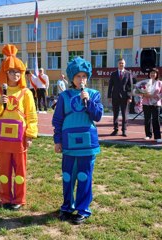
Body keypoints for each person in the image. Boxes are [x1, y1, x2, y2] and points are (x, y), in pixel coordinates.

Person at [52, 57, 103, 224]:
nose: (81, 79)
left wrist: (88, 102)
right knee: (68, 176)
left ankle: (82, 209)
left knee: (84, 176)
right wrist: (57, 140)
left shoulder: (94, 95)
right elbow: (58, 120)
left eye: (84, 76)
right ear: (72, 78)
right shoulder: (64, 96)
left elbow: (97, 116)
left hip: (88, 143)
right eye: (78, 76)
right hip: (68, 143)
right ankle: (67, 206)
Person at [0, 44, 38, 210]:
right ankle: (5, 198)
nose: (15, 75)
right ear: (5, 73)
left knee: (20, 171)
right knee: (4, 170)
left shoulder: (26, 93)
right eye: (11, 71)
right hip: (3, 138)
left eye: (18, 72)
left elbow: (32, 115)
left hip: (20, 137)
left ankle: (18, 199)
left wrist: (30, 135)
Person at [133, 68, 162, 143]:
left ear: (156, 74)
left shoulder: (159, 83)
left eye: (154, 73)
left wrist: (153, 96)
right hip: (146, 103)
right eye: (151, 73)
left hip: (156, 104)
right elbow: (138, 91)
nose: (152, 74)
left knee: (156, 120)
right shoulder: (144, 82)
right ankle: (148, 135)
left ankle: (157, 136)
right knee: (147, 119)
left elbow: (161, 93)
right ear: (149, 74)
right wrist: (144, 94)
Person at [107, 58, 133, 137]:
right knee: (115, 114)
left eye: (122, 63)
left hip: (125, 97)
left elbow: (130, 86)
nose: (121, 64)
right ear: (117, 64)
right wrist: (109, 96)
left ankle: (124, 130)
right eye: (120, 63)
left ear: (124, 64)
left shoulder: (128, 73)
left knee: (124, 114)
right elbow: (110, 86)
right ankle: (115, 130)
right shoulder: (113, 74)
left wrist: (130, 97)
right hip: (115, 97)